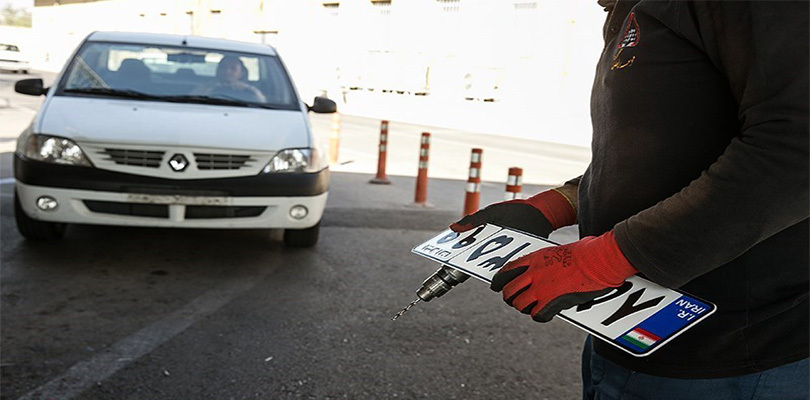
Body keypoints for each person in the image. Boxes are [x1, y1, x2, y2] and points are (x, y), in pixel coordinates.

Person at [451, 1, 809, 399]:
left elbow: (796, 150)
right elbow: (672, 151)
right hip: (635, 331)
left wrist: (606, 259)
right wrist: (558, 205)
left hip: (733, 356)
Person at [195, 55, 266, 102]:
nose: (227, 71)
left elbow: (262, 101)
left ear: (241, 73)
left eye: (233, 69)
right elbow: (194, 100)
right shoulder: (207, 86)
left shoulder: (249, 89)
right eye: (224, 68)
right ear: (218, 70)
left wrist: (247, 89)